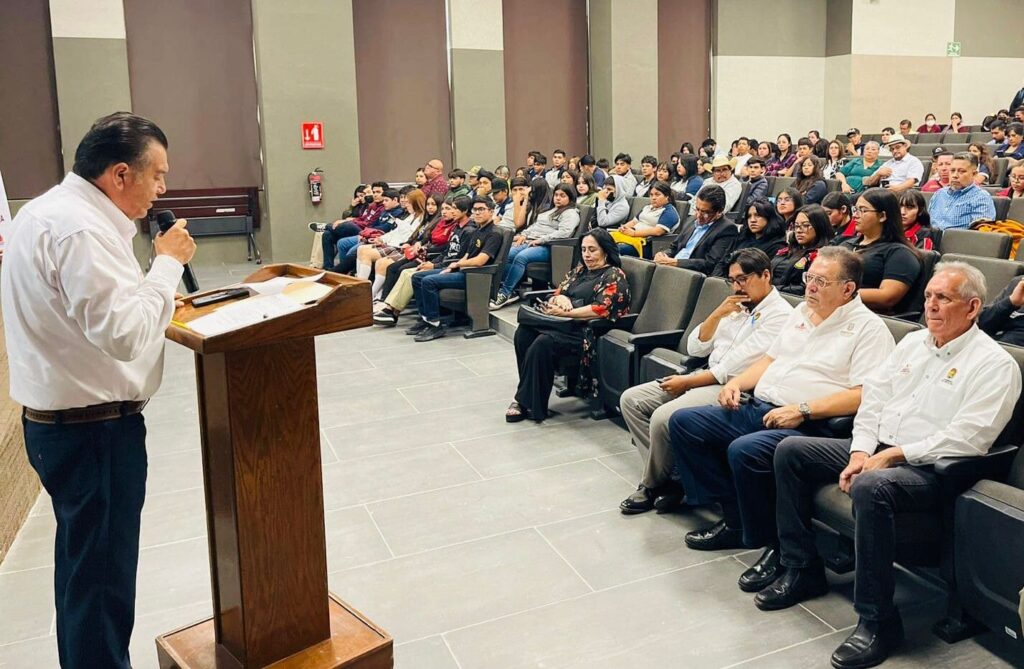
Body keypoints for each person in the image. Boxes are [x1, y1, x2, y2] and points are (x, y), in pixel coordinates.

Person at [1, 112, 196, 669]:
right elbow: (125, 334)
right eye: (156, 175)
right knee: (103, 590)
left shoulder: (42, 212)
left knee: (85, 579)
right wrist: (166, 267)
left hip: (60, 425)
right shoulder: (82, 230)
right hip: (95, 432)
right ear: (118, 174)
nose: (163, 188)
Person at [765, 262, 1020, 669]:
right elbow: (874, 401)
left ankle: (878, 620)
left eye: (943, 298)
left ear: (973, 308)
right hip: (879, 450)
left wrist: (895, 455)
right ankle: (801, 566)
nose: (931, 306)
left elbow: (971, 437)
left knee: (872, 486)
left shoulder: (994, 363)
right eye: (929, 296)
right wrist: (861, 452)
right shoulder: (912, 344)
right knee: (792, 451)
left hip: (932, 470)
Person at [668, 247, 894, 588]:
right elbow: (770, 360)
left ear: (848, 289)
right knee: (685, 424)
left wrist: (803, 410)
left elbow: (865, 394)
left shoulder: (869, 330)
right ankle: (735, 520)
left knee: (744, 450)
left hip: (810, 423)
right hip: (762, 406)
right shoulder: (802, 311)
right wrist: (736, 384)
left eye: (821, 281)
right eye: (809, 278)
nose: (810, 287)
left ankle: (774, 546)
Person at [619, 249, 793, 514]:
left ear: (766, 275)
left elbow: (734, 368)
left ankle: (651, 484)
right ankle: (673, 479)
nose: (737, 286)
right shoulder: (735, 306)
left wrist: (687, 383)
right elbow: (695, 347)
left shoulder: (780, 315)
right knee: (631, 400)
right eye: (732, 280)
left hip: (732, 386)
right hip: (703, 373)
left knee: (662, 417)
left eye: (743, 279)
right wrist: (716, 315)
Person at [506, 229, 630, 422]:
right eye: (583, 250)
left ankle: (524, 402)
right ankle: (529, 398)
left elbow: (602, 309)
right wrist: (562, 298)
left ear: (605, 251)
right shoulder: (580, 270)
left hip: (586, 331)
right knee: (523, 333)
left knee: (543, 343)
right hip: (563, 324)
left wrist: (567, 313)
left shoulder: (613, 275)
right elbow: (557, 293)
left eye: (592, 250)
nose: (587, 255)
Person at [406, 197, 505, 341]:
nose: (477, 213)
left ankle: (435, 325)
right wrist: (453, 266)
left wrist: (458, 265)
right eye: (475, 210)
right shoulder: (478, 230)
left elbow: (480, 261)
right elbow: (467, 254)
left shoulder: (494, 233)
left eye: (481, 209)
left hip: (475, 276)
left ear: (491, 211)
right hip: (463, 270)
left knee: (429, 281)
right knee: (417, 277)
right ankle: (426, 319)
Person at [374, 196, 474, 325]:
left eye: (453, 208)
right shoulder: (457, 228)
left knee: (413, 274)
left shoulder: (469, 231)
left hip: (452, 268)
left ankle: (399, 313)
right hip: (440, 261)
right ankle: (391, 310)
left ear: (465, 210)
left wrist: (434, 265)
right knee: (406, 272)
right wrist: (431, 263)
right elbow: (446, 252)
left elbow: (458, 258)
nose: (449, 212)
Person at [490, 184, 580, 309]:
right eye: (556, 195)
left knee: (521, 257)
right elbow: (535, 226)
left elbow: (564, 233)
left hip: (551, 247)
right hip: (532, 241)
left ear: (570, 198)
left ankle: (505, 293)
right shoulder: (551, 210)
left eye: (562, 196)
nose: (558, 198)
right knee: (509, 253)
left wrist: (541, 240)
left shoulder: (570, 213)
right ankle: (511, 290)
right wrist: (523, 235)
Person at [838, 188, 922, 314]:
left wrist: (838, 292)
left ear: (882, 216)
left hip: (866, 317)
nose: (855, 215)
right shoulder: (846, 244)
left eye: (863, 210)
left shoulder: (900, 253)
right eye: (855, 209)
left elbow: (886, 296)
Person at [654, 184, 737, 275]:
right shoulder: (692, 219)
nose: (698, 215)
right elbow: (674, 247)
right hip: (670, 267)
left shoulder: (727, 229)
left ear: (719, 211)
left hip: (692, 275)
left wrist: (676, 262)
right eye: (697, 209)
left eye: (706, 212)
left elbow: (710, 264)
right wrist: (664, 255)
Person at [351, 189, 426, 283]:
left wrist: (398, 222)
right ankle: (359, 281)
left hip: (399, 246)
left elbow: (409, 236)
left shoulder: (421, 218)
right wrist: (381, 239)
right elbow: (395, 232)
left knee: (370, 256)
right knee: (361, 249)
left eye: (408, 203)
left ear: (415, 203)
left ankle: (363, 286)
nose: (406, 205)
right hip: (392, 242)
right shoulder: (410, 216)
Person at [331, 187, 405, 271]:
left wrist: (368, 231)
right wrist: (352, 207)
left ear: (395, 200)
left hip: (379, 237)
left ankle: (339, 272)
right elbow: (371, 223)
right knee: (341, 242)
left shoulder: (398, 212)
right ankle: (338, 270)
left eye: (386, 200)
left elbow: (385, 228)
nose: (384, 203)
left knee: (354, 249)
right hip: (369, 233)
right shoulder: (382, 209)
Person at [320, 181, 387, 269]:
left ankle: (325, 226)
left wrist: (349, 221)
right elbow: (362, 218)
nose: (374, 195)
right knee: (327, 235)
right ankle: (327, 267)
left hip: (366, 231)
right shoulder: (371, 205)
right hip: (360, 228)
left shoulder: (382, 207)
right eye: (373, 192)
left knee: (348, 225)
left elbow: (368, 224)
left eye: (377, 192)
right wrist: (352, 209)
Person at [713, 199, 787, 275]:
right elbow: (722, 262)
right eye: (749, 216)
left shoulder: (777, 246)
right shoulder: (741, 237)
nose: (752, 220)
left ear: (769, 217)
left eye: (757, 215)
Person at [771, 205, 831, 295]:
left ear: (819, 227)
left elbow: (806, 287)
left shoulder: (822, 257)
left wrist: (772, 289)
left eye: (805, 225)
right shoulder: (786, 250)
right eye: (796, 226)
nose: (799, 230)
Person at [928, 152, 997, 230]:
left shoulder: (981, 197)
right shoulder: (939, 194)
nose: (955, 175)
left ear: (974, 174)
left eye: (961, 171)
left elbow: (980, 234)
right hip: (930, 239)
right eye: (952, 170)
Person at [615, 181, 680, 258]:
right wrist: (623, 228)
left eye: (657, 195)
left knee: (614, 248)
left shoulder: (670, 212)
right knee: (603, 240)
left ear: (667, 196)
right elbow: (633, 222)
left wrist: (634, 233)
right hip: (632, 238)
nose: (653, 198)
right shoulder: (647, 207)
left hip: (648, 245)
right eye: (651, 195)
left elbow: (658, 231)